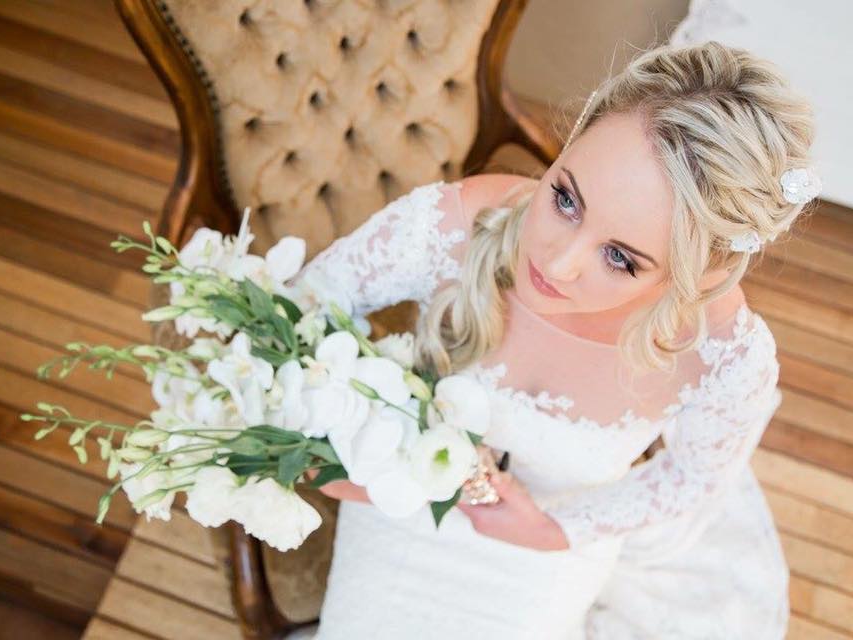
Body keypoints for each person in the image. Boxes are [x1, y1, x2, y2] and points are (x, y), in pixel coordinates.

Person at [291, 40, 820, 639]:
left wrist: (556, 530)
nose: (556, 263)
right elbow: (295, 315)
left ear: (695, 275)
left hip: (539, 560)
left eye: (620, 258)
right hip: (392, 514)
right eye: (566, 198)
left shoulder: (723, 356)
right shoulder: (452, 226)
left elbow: (692, 478)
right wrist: (337, 467)